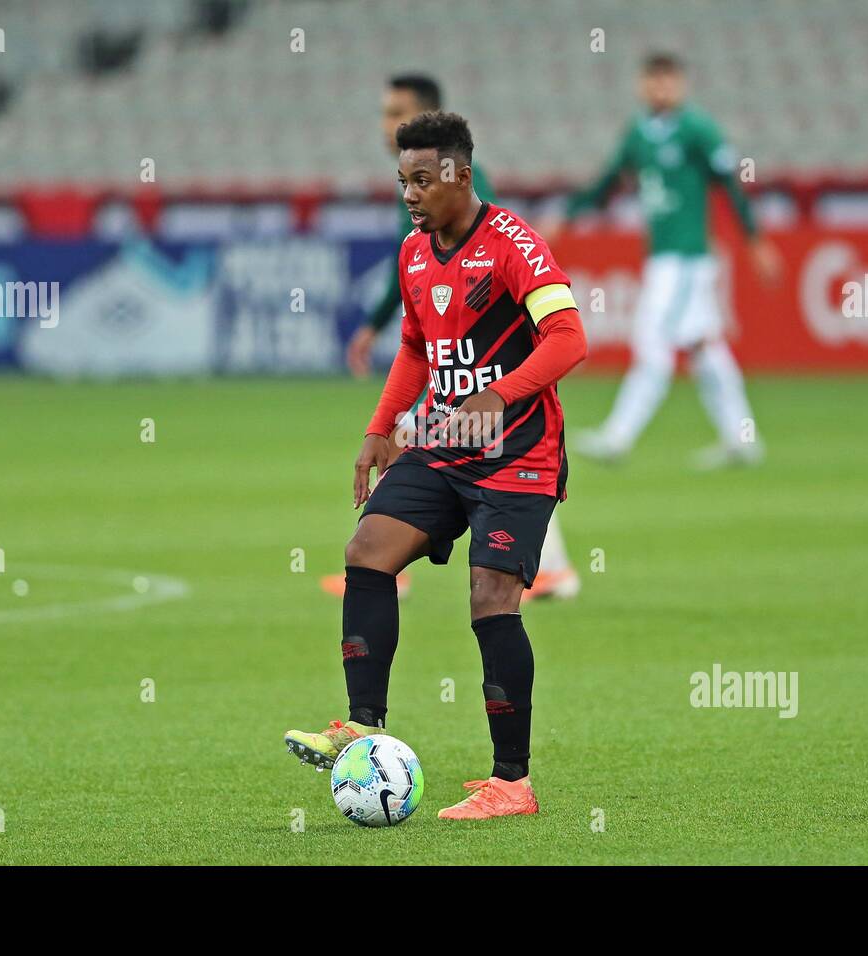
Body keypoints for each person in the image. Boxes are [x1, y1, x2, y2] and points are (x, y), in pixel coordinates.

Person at [287, 112, 587, 820]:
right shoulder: (415, 255)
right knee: (367, 551)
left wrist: (498, 391)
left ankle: (512, 783)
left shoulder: (514, 244)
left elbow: (569, 338)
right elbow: (417, 350)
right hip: (445, 446)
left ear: (460, 175)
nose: (410, 195)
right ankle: (363, 725)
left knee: (491, 598)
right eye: (402, 181)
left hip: (518, 455)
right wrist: (380, 427)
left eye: (422, 179)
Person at [322, 74, 578, 602]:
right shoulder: (419, 187)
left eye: (396, 111)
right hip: (457, 371)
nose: (385, 122)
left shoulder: (453, 185)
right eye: (384, 111)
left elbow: (487, 258)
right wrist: (380, 331)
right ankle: (391, 563)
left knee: (496, 449)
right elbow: (418, 283)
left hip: (491, 367)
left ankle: (540, 568)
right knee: (419, 441)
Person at [553, 52, 780, 468]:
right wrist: (568, 214)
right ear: (642, 85)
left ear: (681, 84)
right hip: (665, 256)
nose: (660, 89)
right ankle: (742, 437)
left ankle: (618, 437)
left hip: (686, 258)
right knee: (703, 347)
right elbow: (607, 182)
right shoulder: (638, 134)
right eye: (653, 81)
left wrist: (755, 240)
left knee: (652, 340)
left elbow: (730, 185)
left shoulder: (698, 129)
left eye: (668, 81)